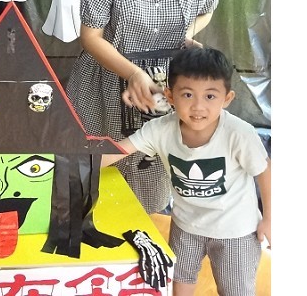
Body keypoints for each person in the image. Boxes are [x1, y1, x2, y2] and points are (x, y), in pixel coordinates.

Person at [66, 0, 223, 213]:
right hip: (105, 82)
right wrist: (134, 73)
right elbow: (91, 36)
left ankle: (147, 228)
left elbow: (206, 11)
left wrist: (184, 35)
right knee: (94, 171)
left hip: (163, 85)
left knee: (152, 170)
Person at [102, 47, 271, 296]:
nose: (198, 106)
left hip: (235, 230)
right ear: (170, 96)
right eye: (188, 94)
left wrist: (270, 218)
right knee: (179, 283)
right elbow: (116, 151)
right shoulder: (159, 129)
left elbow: (264, 171)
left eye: (210, 96)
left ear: (227, 98)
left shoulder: (239, 133)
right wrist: (70, 161)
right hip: (186, 226)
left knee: (236, 290)